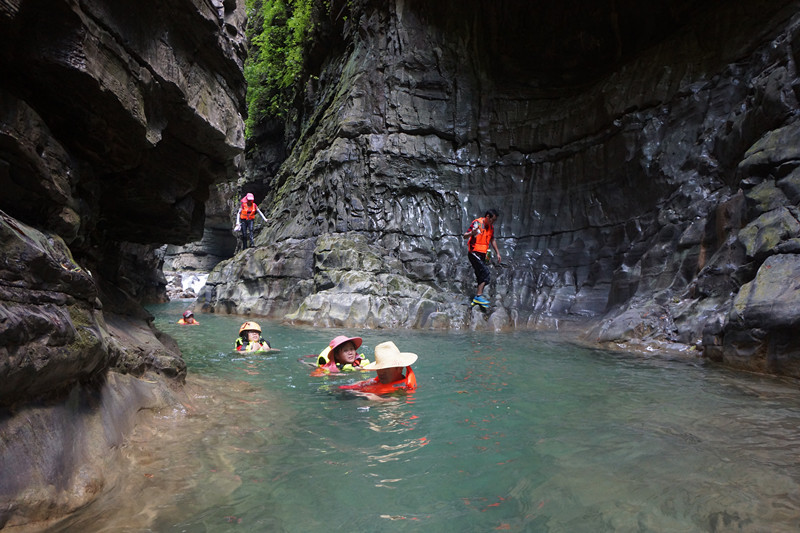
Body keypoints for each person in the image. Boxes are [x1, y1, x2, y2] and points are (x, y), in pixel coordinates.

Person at [339, 341, 417, 401]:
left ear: (399, 368)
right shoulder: (378, 380)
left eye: (386, 368)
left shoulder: (402, 388)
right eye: (379, 368)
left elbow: (393, 401)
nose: (381, 372)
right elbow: (368, 383)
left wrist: (373, 398)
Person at [463, 208, 501, 308]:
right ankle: (479, 296)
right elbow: (465, 236)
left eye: (494, 221)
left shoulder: (491, 228)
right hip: (473, 253)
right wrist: (472, 233)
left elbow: (492, 240)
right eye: (492, 220)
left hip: (482, 254)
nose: (493, 222)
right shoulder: (477, 223)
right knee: (485, 273)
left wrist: (498, 253)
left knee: (481, 275)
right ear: (487, 217)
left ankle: (477, 297)